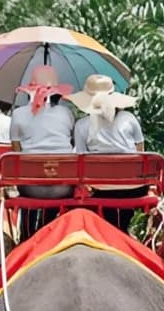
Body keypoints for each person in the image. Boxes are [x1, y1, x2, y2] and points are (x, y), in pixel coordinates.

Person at [68, 74, 145, 232]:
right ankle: (122, 230)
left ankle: (112, 230)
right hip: (133, 188)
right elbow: (140, 154)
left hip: (101, 188)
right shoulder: (129, 119)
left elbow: (80, 162)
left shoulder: (82, 125)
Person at [9, 66, 75, 231]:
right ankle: (47, 227)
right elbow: (72, 144)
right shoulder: (67, 114)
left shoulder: (18, 114)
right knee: (57, 174)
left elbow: (17, 153)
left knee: (26, 174)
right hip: (62, 188)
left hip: (30, 188)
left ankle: (27, 232)